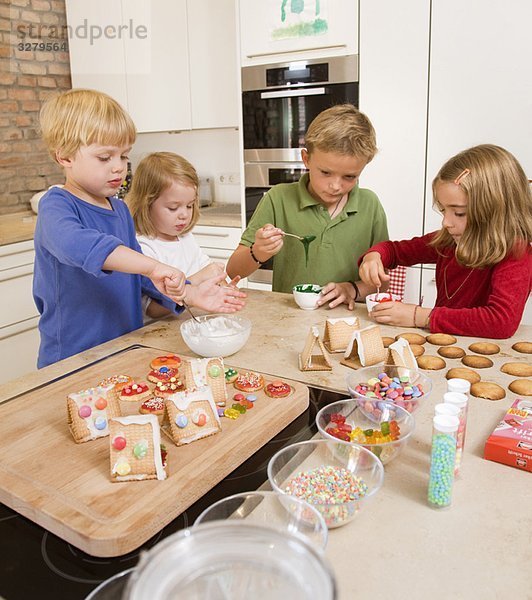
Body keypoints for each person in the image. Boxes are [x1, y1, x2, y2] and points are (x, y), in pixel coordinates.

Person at [34, 89, 245, 368]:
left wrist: (190, 293)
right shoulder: (56, 206)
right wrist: (153, 266)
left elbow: (139, 280)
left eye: (124, 157)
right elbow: (83, 245)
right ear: (65, 157)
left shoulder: (119, 209)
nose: (118, 168)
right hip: (73, 357)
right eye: (104, 157)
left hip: (125, 347)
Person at [359, 144, 532, 338]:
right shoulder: (448, 242)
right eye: (443, 210)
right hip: (444, 346)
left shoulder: (516, 253)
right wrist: (373, 257)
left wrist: (419, 316)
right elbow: (395, 251)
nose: (446, 222)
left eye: (459, 213)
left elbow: (500, 322)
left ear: (496, 212)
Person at [226, 104, 389, 309]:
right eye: (326, 172)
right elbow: (233, 271)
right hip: (289, 319)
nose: (336, 186)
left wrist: (351, 289)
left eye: (349, 177)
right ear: (306, 159)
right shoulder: (278, 199)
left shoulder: (370, 205)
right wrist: (258, 251)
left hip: (347, 322)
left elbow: (381, 284)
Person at [127, 152, 235, 319]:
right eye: (173, 208)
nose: (184, 215)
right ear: (146, 204)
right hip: (158, 332)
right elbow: (152, 309)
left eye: (190, 206)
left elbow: (210, 272)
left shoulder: (185, 238)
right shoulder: (143, 247)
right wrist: (197, 283)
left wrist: (224, 290)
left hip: (188, 322)